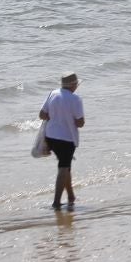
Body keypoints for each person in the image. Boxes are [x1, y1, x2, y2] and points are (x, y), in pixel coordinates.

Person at [39, 73, 84, 210]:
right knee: (63, 168)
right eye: (76, 84)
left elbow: (42, 114)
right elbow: (80, 123)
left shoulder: (53, 94)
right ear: (73, 85)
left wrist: (56, 116)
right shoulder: (75, 99)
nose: (77, 86)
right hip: (66, 138)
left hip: (51, 136)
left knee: (66, 166)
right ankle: (56, 202)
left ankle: (71, 196)